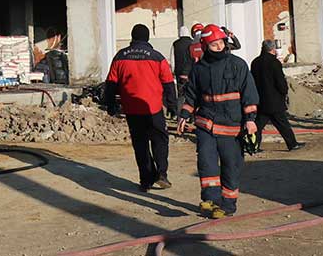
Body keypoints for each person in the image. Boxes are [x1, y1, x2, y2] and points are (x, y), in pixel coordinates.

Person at [177, 25, 259, 219]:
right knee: (207, 164)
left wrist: (250, 120)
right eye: (214, 44)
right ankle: (211, 201)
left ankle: (228, 204)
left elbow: (249, 93)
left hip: (231, 127)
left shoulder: (237, 65)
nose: (219, 46)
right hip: (206, 124)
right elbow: (191, 96)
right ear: (205, 46)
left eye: (221, 42)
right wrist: (184, 114)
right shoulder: (199, 69)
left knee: (231, 167)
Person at [104, 24, 177, 191]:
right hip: (153, 109)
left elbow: (111, 83)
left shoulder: (120, 56)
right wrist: (172, 105)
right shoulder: (157, 57)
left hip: (132, 109)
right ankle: (161, 174)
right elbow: (168, 84)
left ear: (132, 36)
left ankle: (146, 180)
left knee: (140, 144)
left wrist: (110, 104)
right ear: (147, 38)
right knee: (159, 140)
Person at [250, 40, 306, 151]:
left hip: (260, 99)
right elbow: (280, 81)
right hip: (274, 100)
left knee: (258, 125)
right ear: (273, 49)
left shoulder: (255, 62)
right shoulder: (274, 62)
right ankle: (292, 144)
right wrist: (284, 91)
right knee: (283, 124)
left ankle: (254, 146)